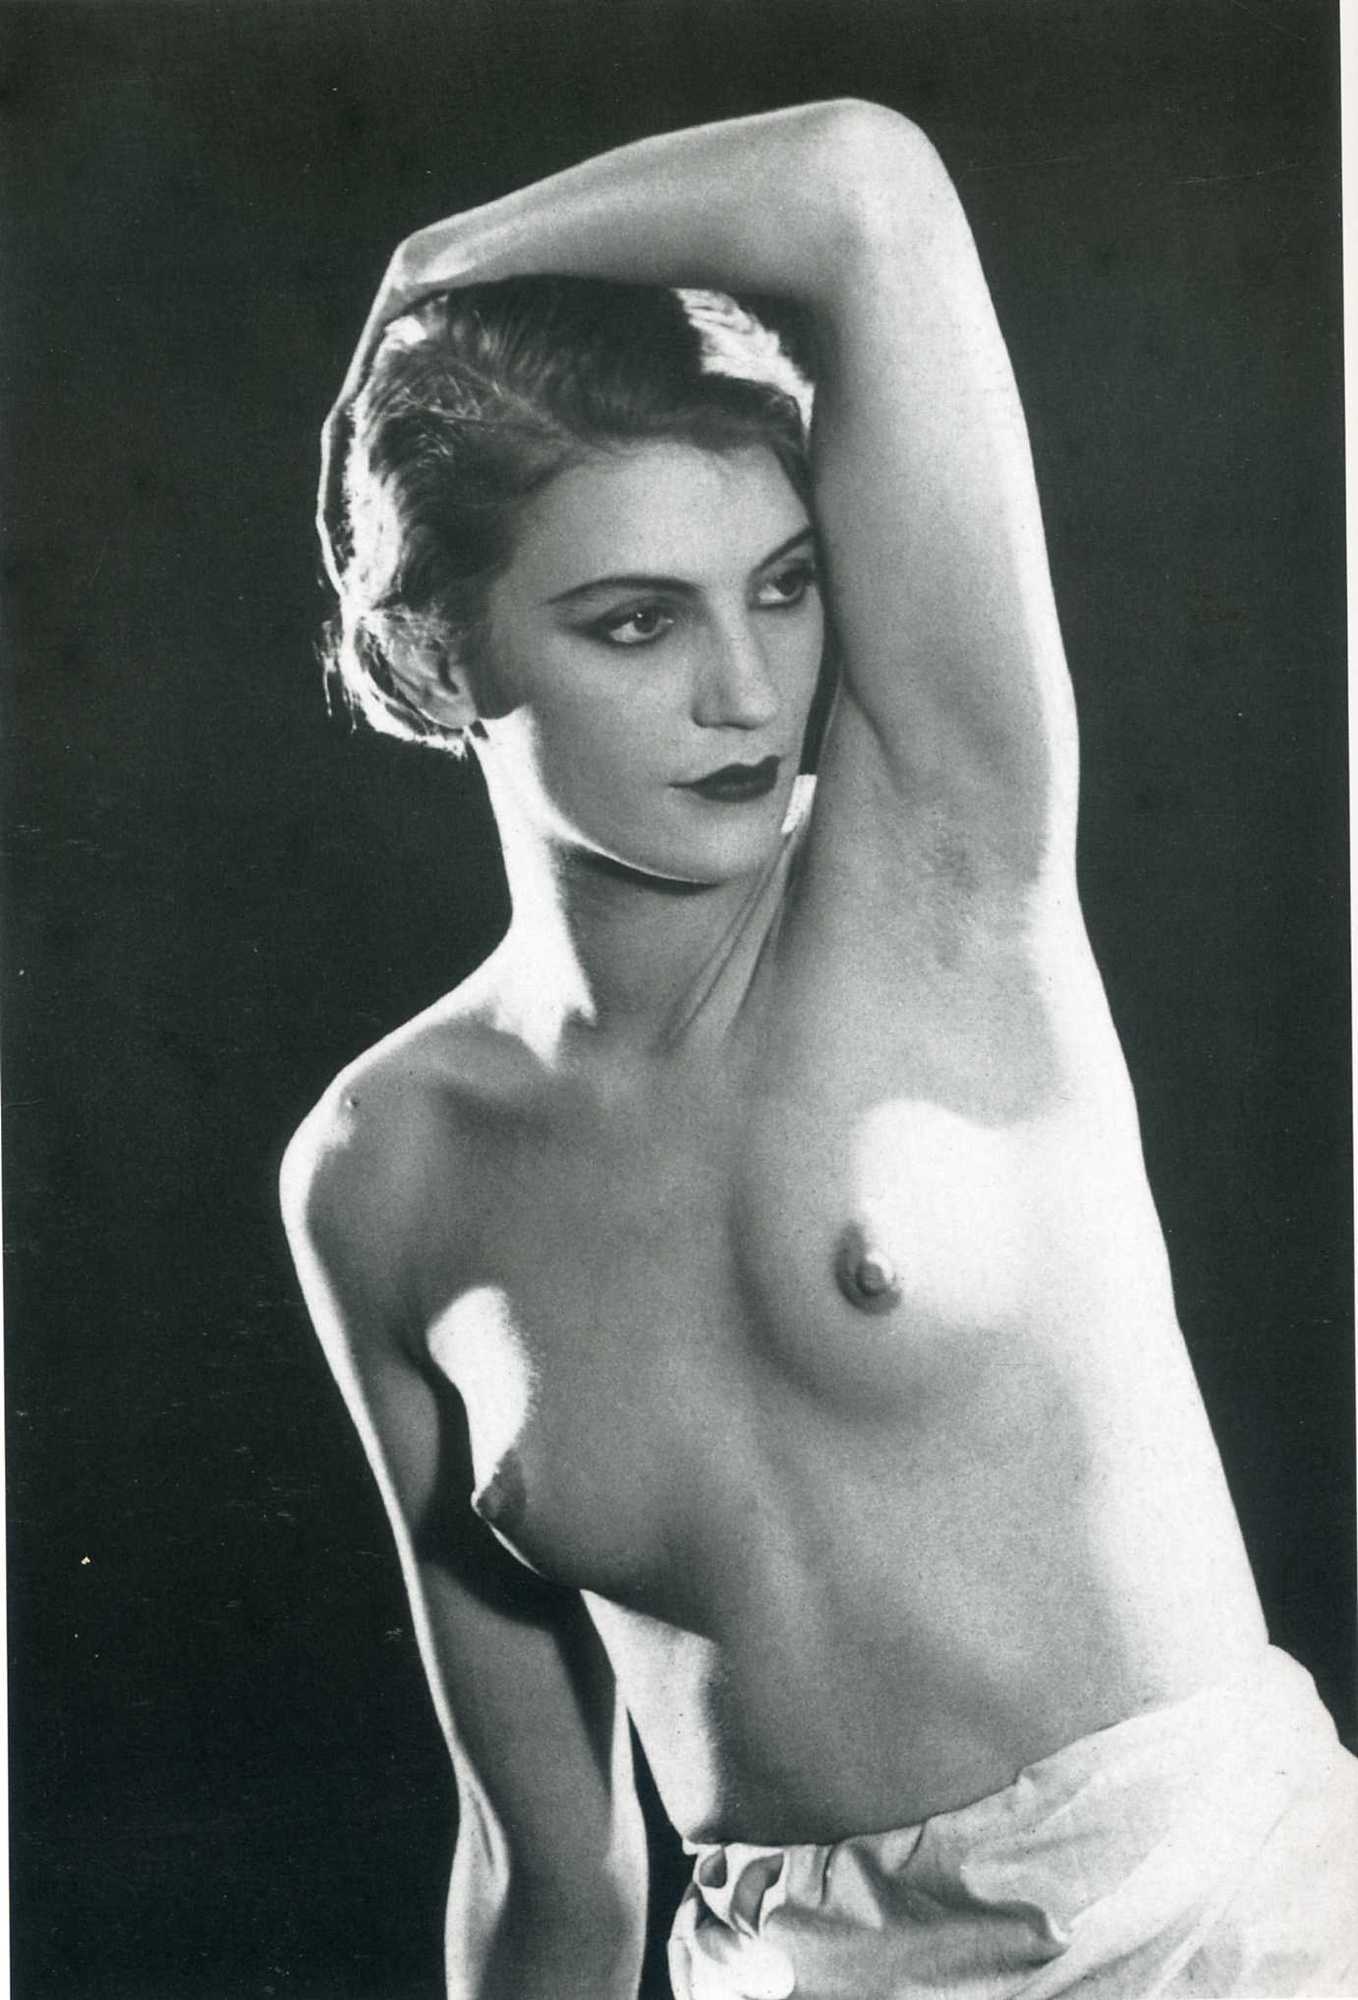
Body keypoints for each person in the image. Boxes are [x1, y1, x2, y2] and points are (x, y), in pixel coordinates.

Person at [281, 101, 1357, 2000]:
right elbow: (549, 1867)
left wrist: (426, 271)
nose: (748, 692)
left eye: (783, 588)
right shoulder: (378, 1169)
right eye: (635, 623)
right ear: (442, 658)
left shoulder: (937, 856)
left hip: (1222, 1932)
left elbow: (861, 189)